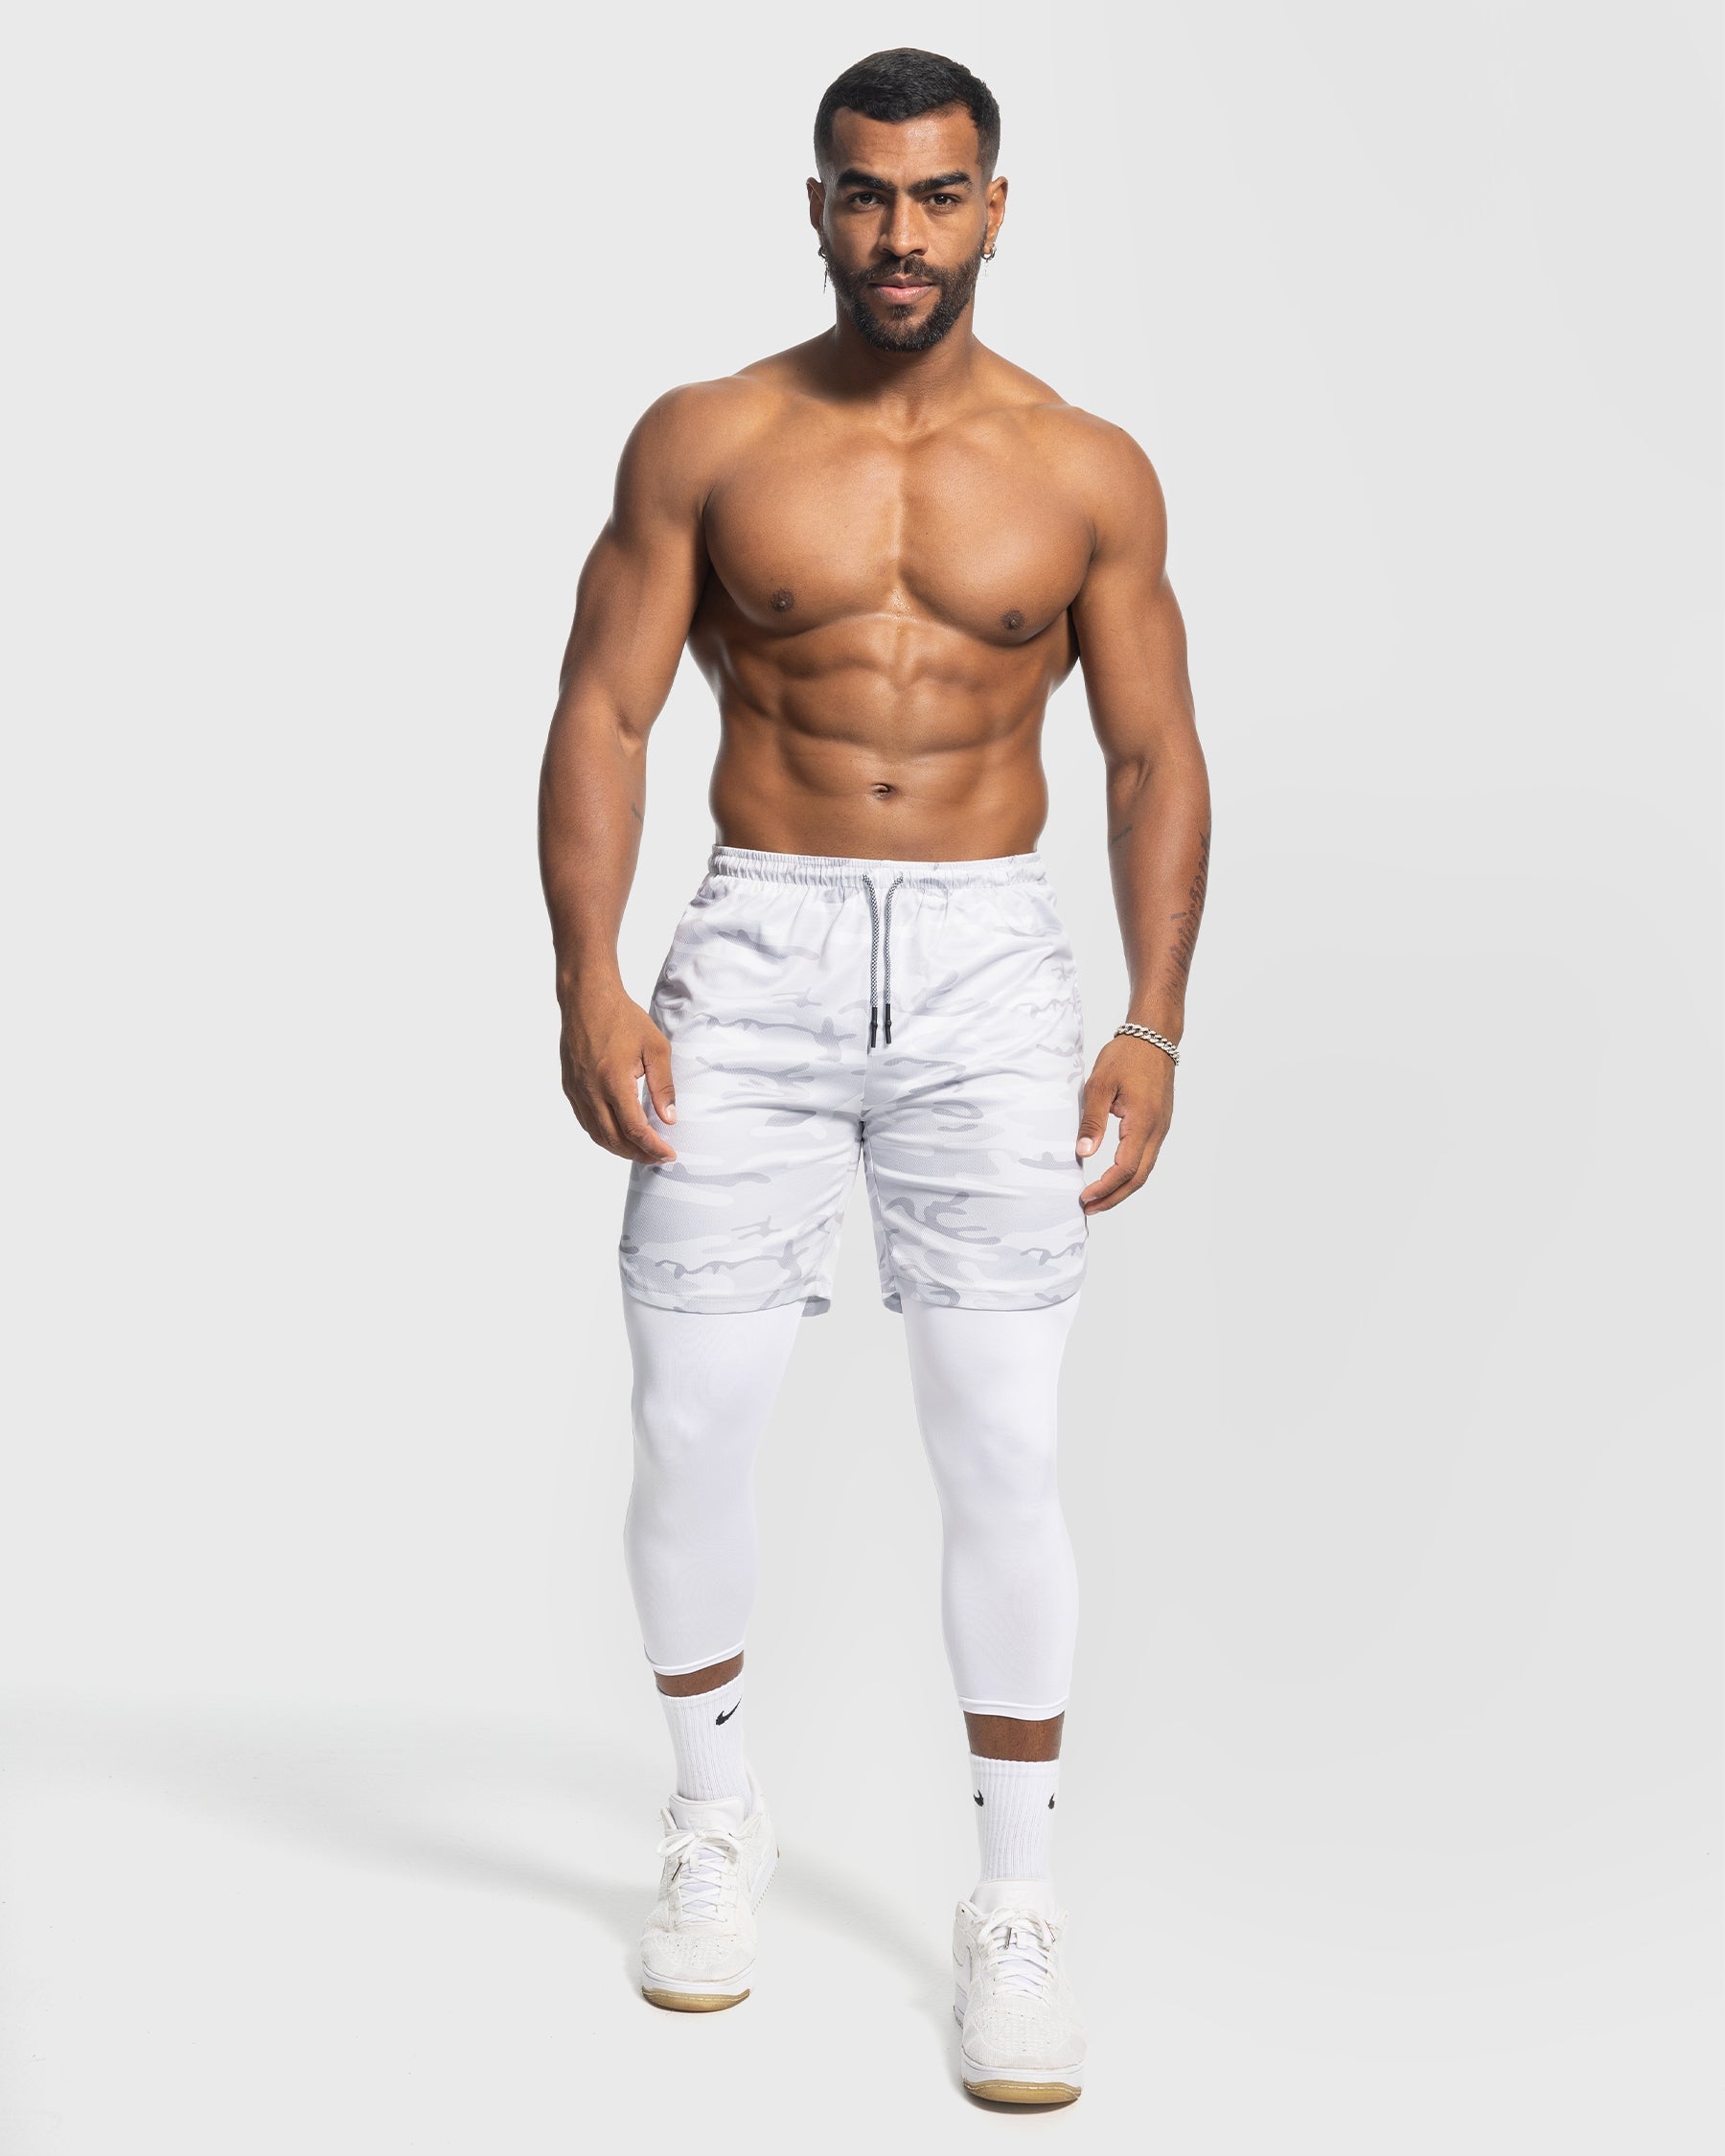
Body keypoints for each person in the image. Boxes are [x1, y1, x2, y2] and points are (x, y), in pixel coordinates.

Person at [538, 47, 1209, 2107]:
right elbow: (605, 708)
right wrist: (589, 978)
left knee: (1001, 1437)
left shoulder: (1087, 468)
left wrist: (1153, 1017)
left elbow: (1151, 754)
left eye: (935, 197)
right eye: (864, 194)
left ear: (995, 207)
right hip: (756, 948)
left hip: (994, 964)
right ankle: (711, 1815)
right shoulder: (711, 438)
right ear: (816, 204)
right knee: (688, 1416)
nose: (898, 234)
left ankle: (1016, 1904)